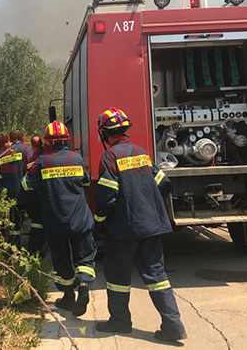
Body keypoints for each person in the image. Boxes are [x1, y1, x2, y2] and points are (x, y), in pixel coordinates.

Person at [93, 107, 187, 342]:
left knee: (117, 275)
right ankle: (173, 325)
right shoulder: (141, 152)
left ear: (104, 133)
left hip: (124, 228)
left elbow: (106, 196)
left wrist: (99, 220)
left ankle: (120, 321)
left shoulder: (110, 157)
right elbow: (163, 183)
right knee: (157, 276)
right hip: (152, 225)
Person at [19, 121, 96, 317]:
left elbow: (27, 185)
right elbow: (86, 182)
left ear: (47, 141)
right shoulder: (77, 158)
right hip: (79, 217)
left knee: (61, 259)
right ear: (66, 139)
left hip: (55, 219)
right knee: (84, 256)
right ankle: (84, 285)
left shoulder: (42, 161)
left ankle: (68, 297)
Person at [0, 129, 31, 248]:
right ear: (21, 138)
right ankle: (33, 248)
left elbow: (0, 176)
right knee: (36, 220)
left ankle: (14, 249)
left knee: (14, 224)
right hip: (27, 193)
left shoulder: (2, 153)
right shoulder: (27, 149)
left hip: (11, 195)